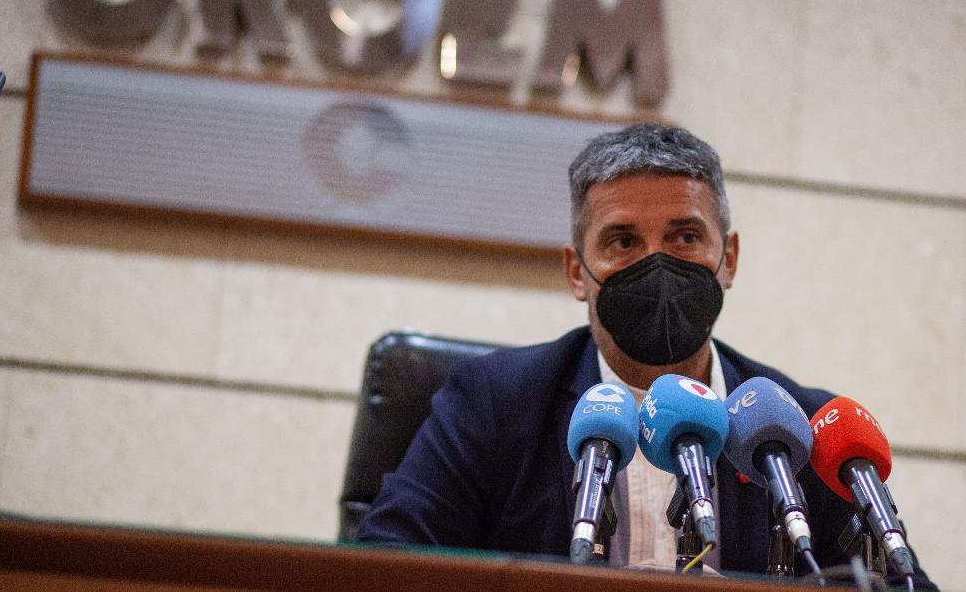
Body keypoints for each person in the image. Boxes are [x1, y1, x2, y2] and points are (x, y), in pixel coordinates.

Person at [358, 123, 934, 587]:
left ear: (727, 257)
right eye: (622, 241)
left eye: (685, 237)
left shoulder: (796, 433)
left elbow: (904, 580)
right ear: (575, 273)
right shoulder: (494, 402)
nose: (655, 265)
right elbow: (381, 567)